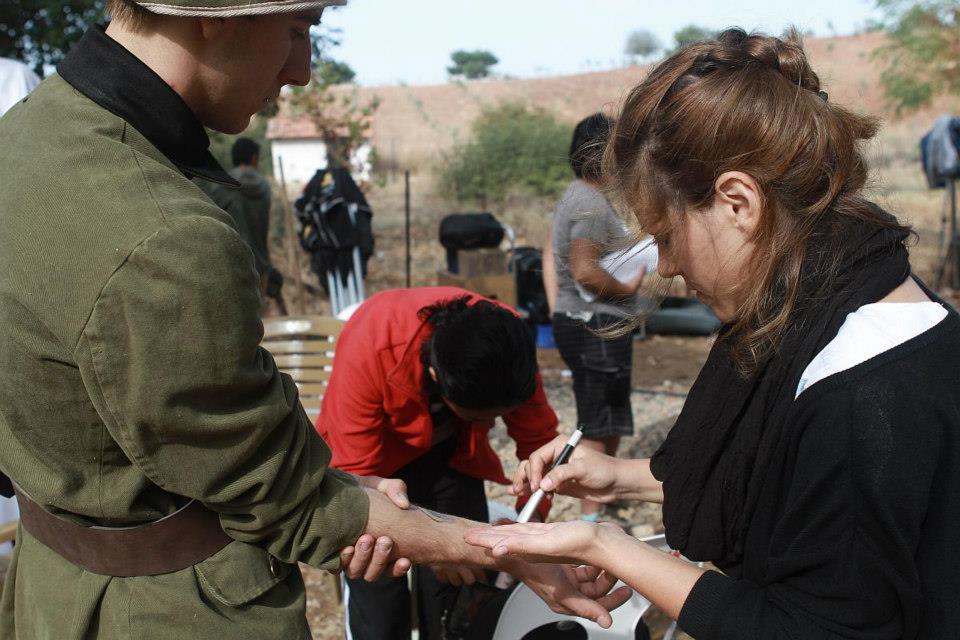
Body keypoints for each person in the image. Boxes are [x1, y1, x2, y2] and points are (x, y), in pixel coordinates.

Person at [0, 1, 630, 637]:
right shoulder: (165, 236)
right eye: (297, 31)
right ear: (213, 14)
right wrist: (504, 551)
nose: (301, 70)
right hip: (168, 612)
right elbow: (287, 498)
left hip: (54, 587)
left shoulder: (25, 138)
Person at [466, 28, 960, 639]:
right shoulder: (839, 305)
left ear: (737, 202)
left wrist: (609, 548)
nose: (667, 265)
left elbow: (810, 627)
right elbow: (784, 478)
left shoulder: (860, 393)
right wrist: (617, 476)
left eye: (667, 237)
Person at [317, 286, 560, 640]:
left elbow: (538, 440)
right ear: (436, 378)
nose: (500, 421)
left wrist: (532, 518)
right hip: (372, 467)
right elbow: (356, 475)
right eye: (488, 417)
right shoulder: (373, 342)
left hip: (452, 453)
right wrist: (436, 545)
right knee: (379, 591)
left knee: (464, 586)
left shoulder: (505, 343)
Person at [549, 112, 647, 522]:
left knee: (605, 416)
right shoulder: (588, 204)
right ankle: (590, 520)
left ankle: (598, 505)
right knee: (597, 418)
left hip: (588, 321)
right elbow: (585, 269)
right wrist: (628, 287)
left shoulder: (580, 196)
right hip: (594, 325)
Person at [207, 137, 288, 315]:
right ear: (253, 158)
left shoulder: (221, 184)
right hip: (260, 265)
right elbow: (274, 229)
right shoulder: (265, 187)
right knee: (259, 321)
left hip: (229, 265)